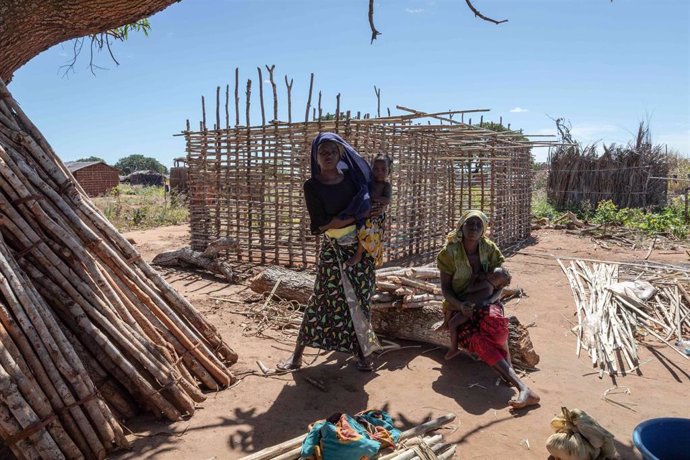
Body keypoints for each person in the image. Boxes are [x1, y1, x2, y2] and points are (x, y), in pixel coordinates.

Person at [277, 132, 381, 372]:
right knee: (321, 299)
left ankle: (364, 356)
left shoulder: (353, 179)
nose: (328, 156)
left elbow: (368, 206)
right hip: (332, 250)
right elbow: (320, 225)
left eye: (333, 151)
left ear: (340, 154)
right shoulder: (312, 186)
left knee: (361, 300)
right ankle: (296, 358)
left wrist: (347, 219)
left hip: (361, 248)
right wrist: (349, 218)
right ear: (315, 156)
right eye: (323, 152)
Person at [437, 210, 540, 409]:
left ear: (484, 229)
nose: (473, 228)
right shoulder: (449, 253)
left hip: (487, 301)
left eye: (478, 225)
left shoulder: (489, 249)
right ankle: (522, 386)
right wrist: (461, 306)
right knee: (477, 340)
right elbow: (446, 289)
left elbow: (501, 282)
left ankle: (515, 379)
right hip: (459, 306)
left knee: (495, 324)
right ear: (461, 227)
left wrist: (490, 301)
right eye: (470, 224)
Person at [443, 267, 512, 360]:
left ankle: (453, 348)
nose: (491, 277)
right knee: (450, 309)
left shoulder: (486, 284)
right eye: (492, 274)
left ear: (499, 286)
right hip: (474, 309)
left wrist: (473, 278)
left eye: (495, 278)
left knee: (452, 323)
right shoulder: (491, 287)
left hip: (470, 309)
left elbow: (469, 289)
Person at [346, 154, 393, 267]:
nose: (379, 172)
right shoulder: (368, 183)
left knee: (366, 230)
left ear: (389, 171)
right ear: (371, 169)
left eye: (383, 169)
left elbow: (387, 200)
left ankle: (359, 254)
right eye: (376, 169)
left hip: (376, 216)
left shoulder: (386, 186)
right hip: (365, 212)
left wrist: (373, 198)